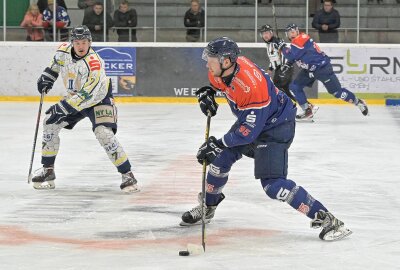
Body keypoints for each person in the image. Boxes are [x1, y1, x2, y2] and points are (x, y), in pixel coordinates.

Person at [180, 36, 352, 241]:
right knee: (219, 159)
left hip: (276, 128)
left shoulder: (253, 87)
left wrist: (219, 144)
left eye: (211, 58)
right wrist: (210, 92)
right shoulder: (222, 69)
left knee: (274, 185)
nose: (207, 61)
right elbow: (225, 88)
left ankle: (328, 220)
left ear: (226, 61)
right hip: (256, 119)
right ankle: (208, 207)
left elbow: (247, 133)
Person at [32, 25, 139, 194]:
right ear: (72, 42)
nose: (81, 46)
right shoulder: (63, 51)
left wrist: (64, 106)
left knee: (103, 133)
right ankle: (48, 170)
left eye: (84, 42)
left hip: (98, 99)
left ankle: (127, 174)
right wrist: (47, 78)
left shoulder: (94, 63)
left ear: (90, 42)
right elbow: (55, 66)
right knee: (50, 123)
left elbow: (89, 93)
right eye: (77, 42)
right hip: (75, 98)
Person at [276, 23, 369, 121]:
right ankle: (308, 110)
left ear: (297, 31)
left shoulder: (300, 39)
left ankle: (358, 102)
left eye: (293, 31)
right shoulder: (297, 43)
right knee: (295, 86)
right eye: (289, 33)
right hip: (310, 70)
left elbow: (292, 55)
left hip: (322, 69)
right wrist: (288, 64)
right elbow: (296, 56)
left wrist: (282, 47)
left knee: (337, 93)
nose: (292, 34)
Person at [259, 24, 296, 101]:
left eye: (267, 33)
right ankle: (305, 106)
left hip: (285, 68)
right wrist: (270, 69)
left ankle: (297, 105)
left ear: (271, 33)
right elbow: (274, 59)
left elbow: (285, 52)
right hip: (279, 69)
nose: (265, 35)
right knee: (285, 90)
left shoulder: (276, 42)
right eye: (263, 33)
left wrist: (281, 44)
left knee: (277, 88)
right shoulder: (269, 44)